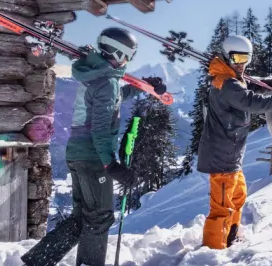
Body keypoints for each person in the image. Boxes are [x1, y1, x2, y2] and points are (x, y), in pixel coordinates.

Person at [22, 27, 167, 266]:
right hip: (93, 157)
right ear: (118, 53)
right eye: (128, 55)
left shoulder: (94, 75)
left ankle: (37, 262)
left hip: (78, 153)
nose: (128, 61)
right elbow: (100, 128)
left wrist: (144, 86)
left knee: (82, 217)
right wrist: (111, 164)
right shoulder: (106, 82)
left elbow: (112, 98)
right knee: (99, 217)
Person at [196, 35, 272, 249]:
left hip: (230, 154)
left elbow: (247, 86)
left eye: (245, 58)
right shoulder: (225, 83)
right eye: (237, 58)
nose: (241, 63)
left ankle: (230, 235)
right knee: (221, 208)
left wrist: (269, 85)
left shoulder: (230, 76)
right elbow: (251, 102)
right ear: (227, 56)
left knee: (238, 196)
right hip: (221, 156)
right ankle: (212, 252)